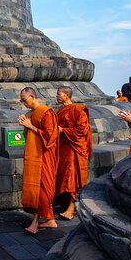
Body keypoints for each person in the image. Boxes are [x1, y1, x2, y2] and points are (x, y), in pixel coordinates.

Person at [18, 87, 59, 234]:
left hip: (44, 156)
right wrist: (25, 125)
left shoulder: (46, 113)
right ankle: (50, 220)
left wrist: (30, 126)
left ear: (33, 96)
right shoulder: (31, 113)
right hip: (33, 155)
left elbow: (50, 137)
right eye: (21, 100)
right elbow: (27, 136)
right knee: (37, 188)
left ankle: (35, 222)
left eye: (24, 99)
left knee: (41, 189)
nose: (23, 103)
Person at [54, 86, 92, 220]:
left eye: (59, 94)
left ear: (66, 95)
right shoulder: (60, 111)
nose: (57, 96)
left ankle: (71, 208)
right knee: (63, 176)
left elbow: (82, 130)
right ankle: (66, 204)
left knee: (72, 178)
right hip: (64, 148)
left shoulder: (78, 110)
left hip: (74, 149)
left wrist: (63, 130)